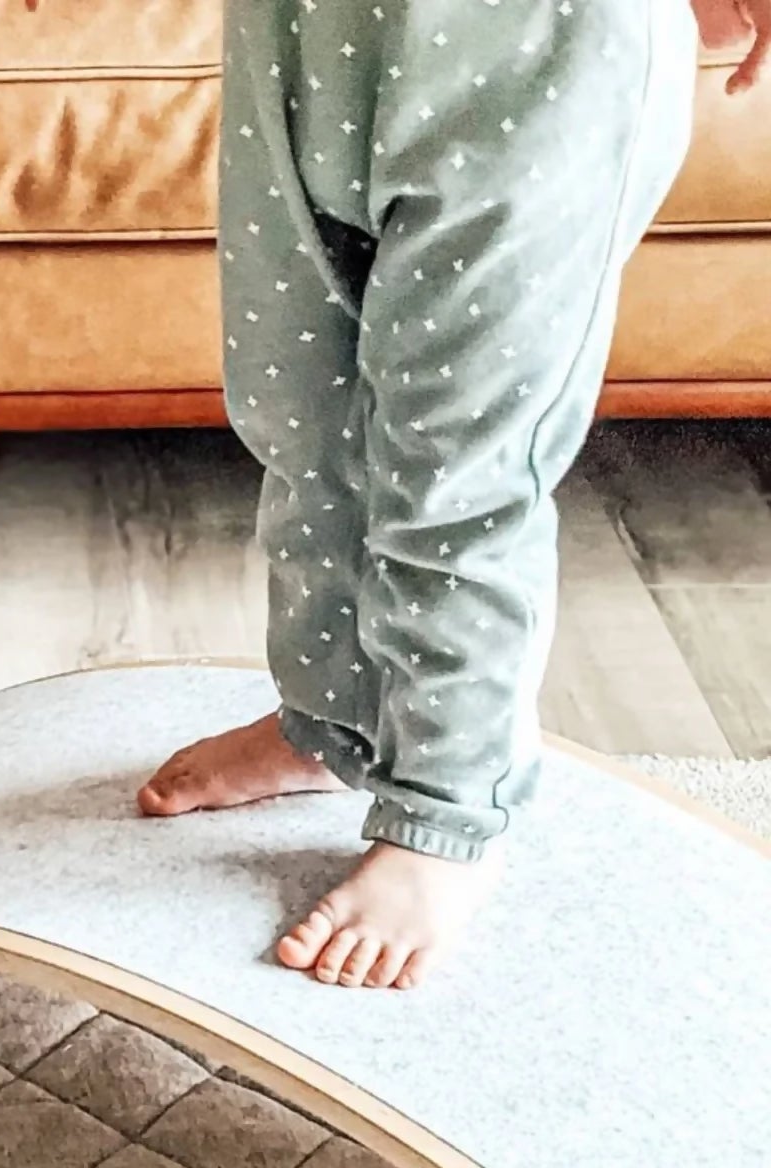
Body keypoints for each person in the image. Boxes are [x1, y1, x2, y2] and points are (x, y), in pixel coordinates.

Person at [139, 0, 768, 990]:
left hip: (544, 58)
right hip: (307, 37)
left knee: (458, 471)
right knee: (300, 416)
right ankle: (330, 721)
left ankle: (445, 810)